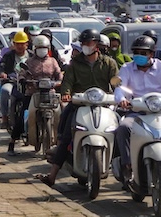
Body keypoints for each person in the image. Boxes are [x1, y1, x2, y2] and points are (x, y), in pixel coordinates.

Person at [39, 28, 118, 186]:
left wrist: (120, 95)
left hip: (104, 105)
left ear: (97, 45)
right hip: (79, 104)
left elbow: (117, 82)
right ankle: (53, 175)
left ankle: (125, 170)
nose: (85, 46)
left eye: (88, 43)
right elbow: (67, 81)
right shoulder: (75, 63)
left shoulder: (109, 63)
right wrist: (66, 93)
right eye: (83, 43)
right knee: (66, 131)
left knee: (119, 129)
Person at [113, 35, 161, 191]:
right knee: (123, 128)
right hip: (137, 113)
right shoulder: (127, 68)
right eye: (136, 52)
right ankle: (128, 167)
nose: (139, 55)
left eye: (143, 52)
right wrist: (122, 100)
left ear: (152, 54)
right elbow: (119, 87)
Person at [8, 35, 63, 156]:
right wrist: (23, 79)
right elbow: (22, 73)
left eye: (44, 47)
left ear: (48, 48)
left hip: (50, 93)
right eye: (39, 48)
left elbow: (59, 75)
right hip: (33, 93)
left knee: (61, 114)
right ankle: (12, 142)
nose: (41, 50)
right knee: (23, 115)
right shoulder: (29, 62)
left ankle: (61, 144)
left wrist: (59, 81)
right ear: (34, 48)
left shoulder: (53, 61)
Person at [0, 31, 31, 129]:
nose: (20, 46)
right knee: (5, 91)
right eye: (17, 44)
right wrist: (2, 73)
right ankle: (4, 118)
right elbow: (1, 66)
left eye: (22, 44)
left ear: (26, 44)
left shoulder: (32, 56)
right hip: (12, 81)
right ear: (14, 44)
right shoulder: (8, 55)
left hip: (28, 83)